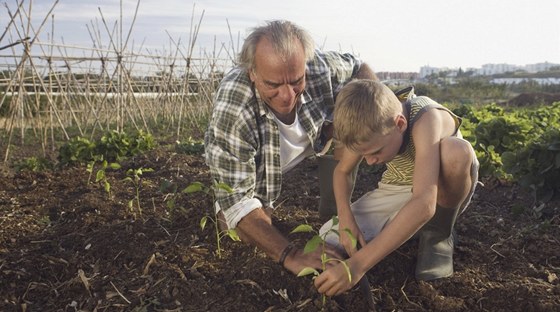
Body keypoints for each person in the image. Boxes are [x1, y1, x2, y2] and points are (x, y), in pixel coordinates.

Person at [204, 20, 378, 275]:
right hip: (261, 168)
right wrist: (291, 255)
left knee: (356, 113)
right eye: (273, 85)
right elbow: (237, 202)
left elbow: (358, 66)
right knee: (237, 232)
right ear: (252, 72)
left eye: (296, 81)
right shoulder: (235, 109)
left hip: (318, 138)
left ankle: (334, 212)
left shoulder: (319, 67)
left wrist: (369, 111)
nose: (287, 96)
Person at [313, 80, 480, 296]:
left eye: (375, 152)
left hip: (437, 188)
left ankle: (438, 235)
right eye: (364, 154)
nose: (370, 161)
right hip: (397, 187)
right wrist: (346, 219)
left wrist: (357, 266)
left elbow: (424, 203)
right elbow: (342, 171)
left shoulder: (426, 118)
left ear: (400, 124)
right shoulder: (368, 125)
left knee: (455, 151)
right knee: (329, 238)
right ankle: (410, 229)